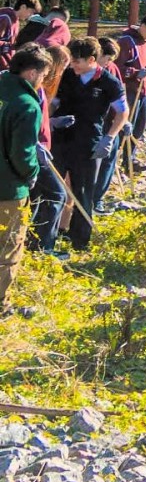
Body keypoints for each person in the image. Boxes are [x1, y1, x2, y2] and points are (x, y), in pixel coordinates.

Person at [52, 38, 129, 251]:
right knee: (55, 189)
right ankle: (49, 235)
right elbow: (54, 102)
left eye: (77, 61)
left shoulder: (109, 82)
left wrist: (110, 137)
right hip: (61, 139)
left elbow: (122, 112)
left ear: (91, 60)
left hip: (89, 143)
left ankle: (79, 241)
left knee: (83, 191)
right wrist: (48, 122)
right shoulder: (67, 76)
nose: (73, 65)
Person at [0, 46, 47, 312]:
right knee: (7, 247)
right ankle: (2, 306)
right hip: (7, 189)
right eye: (43, 75)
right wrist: (31, 174)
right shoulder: (27, 105)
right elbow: (23, 153)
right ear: (31, 73)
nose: (43, 82)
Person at [27, 46, 69, 254]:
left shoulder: (41, 88)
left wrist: (52, 122)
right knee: (57, 194)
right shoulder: (35, 89)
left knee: (36, 198)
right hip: (36, 151)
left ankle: (30, 242)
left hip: (40, 147)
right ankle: (44, 246)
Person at [88, 38, 127, 215]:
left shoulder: (112, 70)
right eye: (107, 58)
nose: (109, 62)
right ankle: (85, 198)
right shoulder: (85, 72)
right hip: (94, 123)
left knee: (108, 162)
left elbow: (121, 97)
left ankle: (98, 200)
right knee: (92, 163)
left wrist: (124, 121)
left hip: (112, 123)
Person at [114, 14, 146, 142]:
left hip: (143, 92)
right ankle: (117, 157)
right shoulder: (126, 41)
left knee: (138, 129)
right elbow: (115, 69)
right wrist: (135, 73)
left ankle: (129, 160)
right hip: (130, 91)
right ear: (142, 26)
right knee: (126, 126)